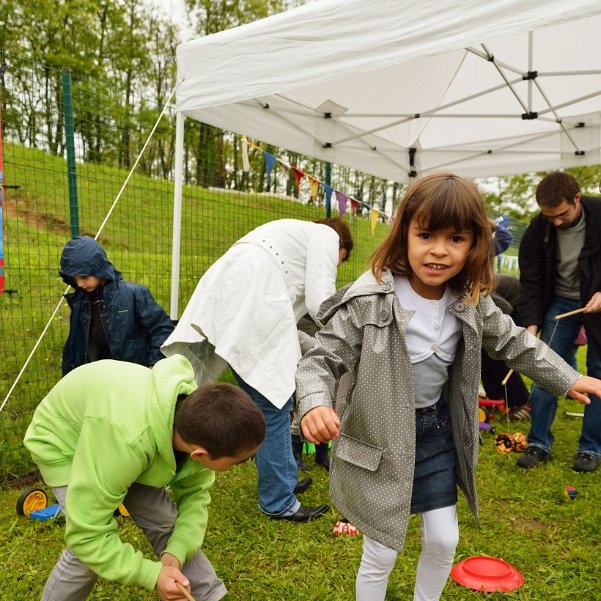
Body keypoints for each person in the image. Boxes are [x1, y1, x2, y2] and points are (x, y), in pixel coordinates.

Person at [295, 173, 601, 601]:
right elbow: (320, 359)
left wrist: (568, 376)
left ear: (475, 244)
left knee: (443, 541)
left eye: (456, 238)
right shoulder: (368, 299)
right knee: (381, 549)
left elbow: (514, 341)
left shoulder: (471, 298)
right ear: (404, 236)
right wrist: (313, 404)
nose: (438, 250)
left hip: (437, 434)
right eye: (425, 235)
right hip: (379, 440)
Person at [24, 354, 265, 601]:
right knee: (85, 556)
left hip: (121, 442)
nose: (243, 465)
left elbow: (195, 495)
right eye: (240, 461)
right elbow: (86, 536)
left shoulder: (200, 423)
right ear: (200, 453)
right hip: (66, 443)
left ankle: (207, 596)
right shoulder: (128, 443)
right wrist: (151, 574)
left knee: (167, 521)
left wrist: (176, 552)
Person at [161, 217, 354, 523]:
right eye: (340, 260)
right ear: (340, 247)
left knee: (191, 394)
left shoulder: (290, 239)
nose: (335, 264)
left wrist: (319, 347)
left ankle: (284, 483)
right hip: (253, 298)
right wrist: (347, 339)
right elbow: (321, 303)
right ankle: (279, 500)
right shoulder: (327, 235)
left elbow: (292, 328)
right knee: (274, 404)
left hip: (235, 291)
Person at [517, 171, 601, 471]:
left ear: (577, 199)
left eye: (562, 214)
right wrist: (531, 324)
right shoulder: (539, 227)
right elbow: (532, 278)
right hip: (561, 301)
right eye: (549, 216)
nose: (555, 222)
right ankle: (538, 443)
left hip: (599, 303)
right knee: (547, 368)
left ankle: (591, 449)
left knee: (599, 373)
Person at [59, 236, 174, 375]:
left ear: (98, 268)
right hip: (96, 382)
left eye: (84, 277)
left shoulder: (135, 295)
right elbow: (74, 350)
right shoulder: (79, 304)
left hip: (134, 380)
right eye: (75, 278)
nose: (79, 284)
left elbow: (161, 328)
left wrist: (153, 365)